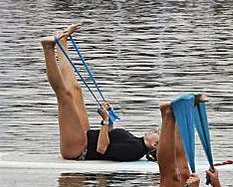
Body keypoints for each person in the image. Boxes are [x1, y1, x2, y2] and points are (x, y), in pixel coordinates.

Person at [38, 24, 159, 161]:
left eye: (158, 133)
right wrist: (109, 119)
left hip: (78, 150)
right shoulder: (136, 143)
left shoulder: (134, 151)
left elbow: (102, 149)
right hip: (84, 138)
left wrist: (105, 121)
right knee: (76, 90)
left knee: (65, 96)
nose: (155, 130)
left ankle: (48, 49)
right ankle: (62, 42)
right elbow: (108, 142)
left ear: (155, 144)